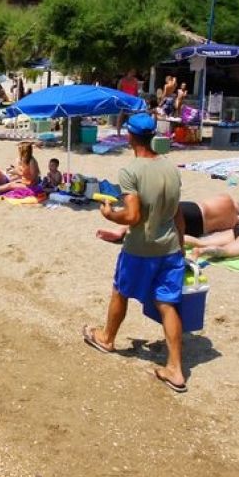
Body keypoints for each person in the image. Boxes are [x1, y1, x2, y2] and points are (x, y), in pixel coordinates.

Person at [82, 113, 189, 394]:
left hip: (141, 248)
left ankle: (106, 338)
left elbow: (132, 215)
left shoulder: (130, 172)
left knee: (120, 291)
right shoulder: (171, 167)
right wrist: (182, 245)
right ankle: (176, 370)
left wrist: (109, 214)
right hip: (170, 249)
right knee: (168, 304)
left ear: (129, 136)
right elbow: (178, 213)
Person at [97, 193, 239, 243]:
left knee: (155, 215)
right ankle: (125, 230)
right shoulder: (232, 221)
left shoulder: (226, 199)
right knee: (162, 227)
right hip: (198, 228)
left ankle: (122, 227)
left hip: (194, 210)